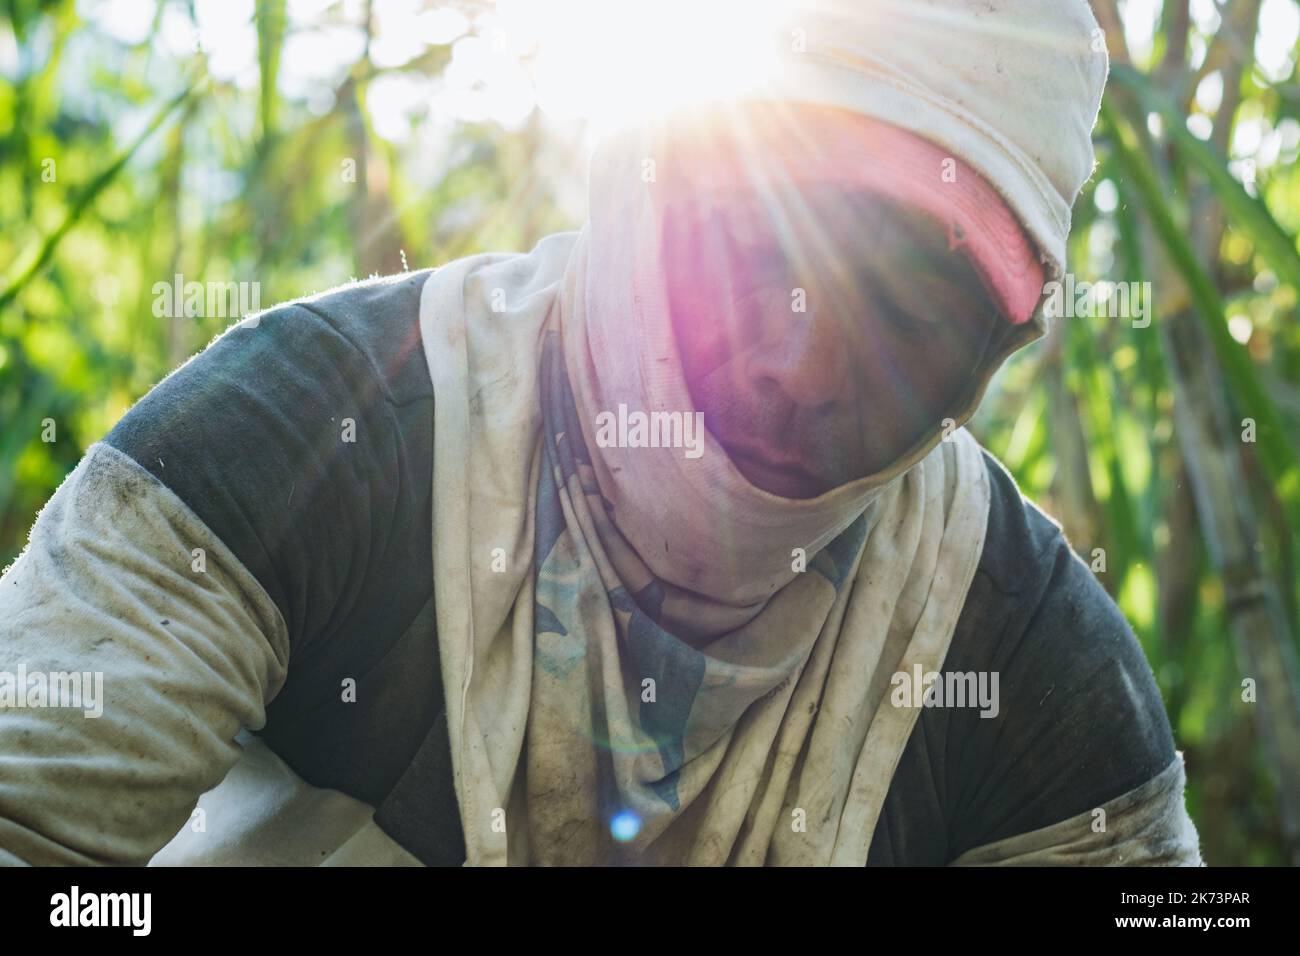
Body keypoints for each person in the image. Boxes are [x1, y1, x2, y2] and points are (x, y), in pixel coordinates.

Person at [0, 0, 1202, 866]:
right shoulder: (320, 430)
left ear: (988, 367)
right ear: (641, 185)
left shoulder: (1020, 651)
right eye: (757, 244)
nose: (796, 360)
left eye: (908, 316)